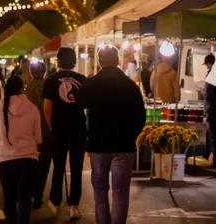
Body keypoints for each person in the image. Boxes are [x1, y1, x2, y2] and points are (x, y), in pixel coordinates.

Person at [78, 46, 146, 224]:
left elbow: (78, 107)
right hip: (124, 145)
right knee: (120, 191)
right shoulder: (130, 86)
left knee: (100, 189)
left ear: (100, 61)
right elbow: (140, 117)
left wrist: (88, 134)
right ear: (117, 60)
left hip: (98, 144)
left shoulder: (90, 84)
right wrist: (131, 135)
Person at [42, 47, 87, 219]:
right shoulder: (82, 79)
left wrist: (51, 126)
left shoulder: (51, 80)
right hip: (78, 129)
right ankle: (74, 205)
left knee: (58, 167)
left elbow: (47, 108)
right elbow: (87, 105)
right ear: (74, 60)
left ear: (58, 60)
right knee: (77, 168)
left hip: (59, 130)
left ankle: (55, 201)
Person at [0, 76, 42, 224]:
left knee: (9, 199)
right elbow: (38, 137)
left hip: (5, 160)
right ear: (22, 89)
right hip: (28, 159)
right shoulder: (32, 108)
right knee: (25, 199)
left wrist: (2, 146)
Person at [25, 61, 51, 209]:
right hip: (46, 132)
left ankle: (29, 192)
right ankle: (38, 196)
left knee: (30, 165)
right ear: (44, 71)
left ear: (31, 72)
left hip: (30, 133)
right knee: (43, 165)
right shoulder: (48, 86)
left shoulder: (27, 88)